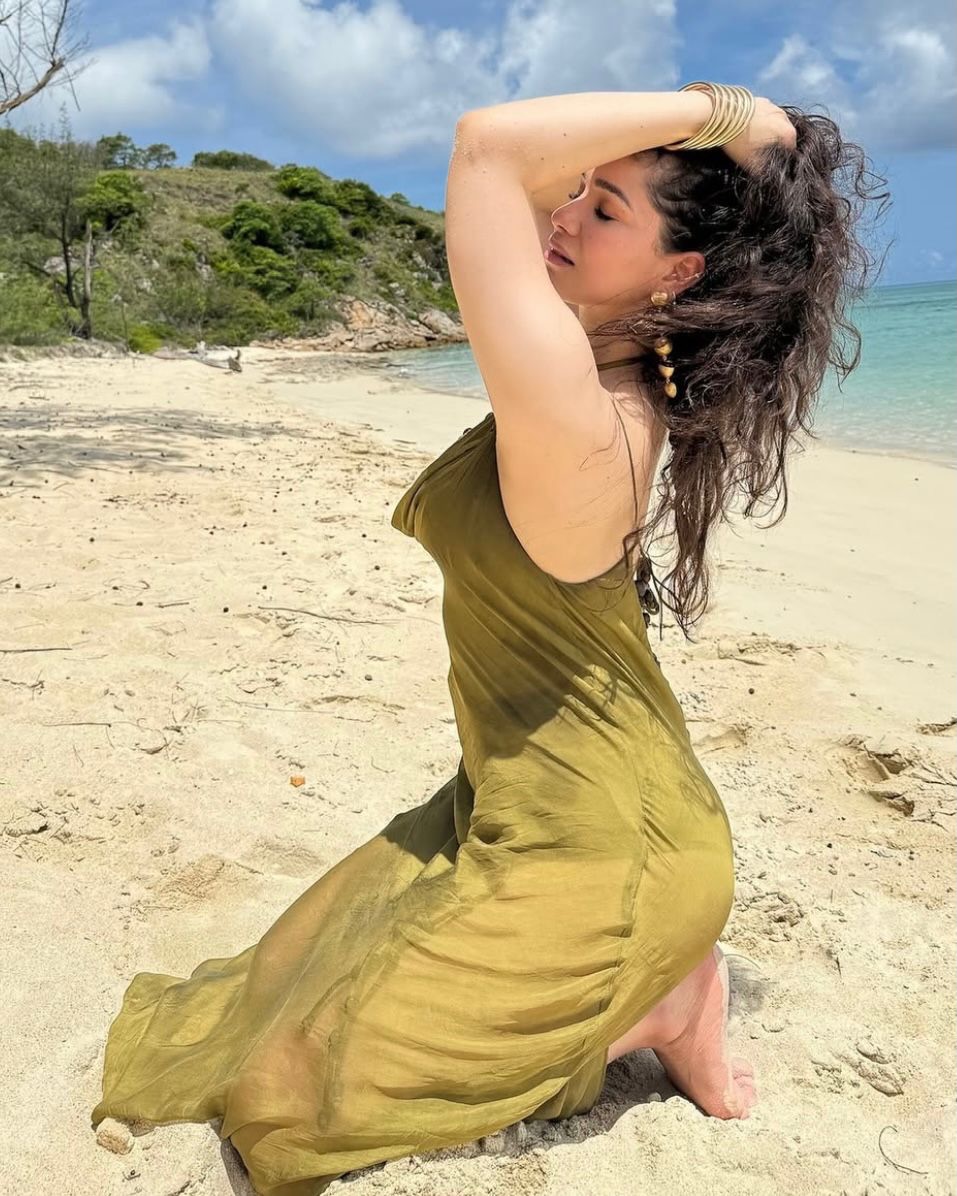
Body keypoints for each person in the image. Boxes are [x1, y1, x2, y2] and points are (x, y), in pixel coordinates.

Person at [91, 84, 888, 1196]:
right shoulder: (588, 371)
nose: (564, 214)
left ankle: (666, 998)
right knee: (267, 996)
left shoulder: (580, 413)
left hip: (609, 848)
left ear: (675, 275)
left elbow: (487, 150)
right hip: (517, 795)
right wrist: (698, 152)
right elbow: (518, 173)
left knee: (292, 1101)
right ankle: (663, 980)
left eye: (603, 211)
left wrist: (731, 112)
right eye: (578, 195)